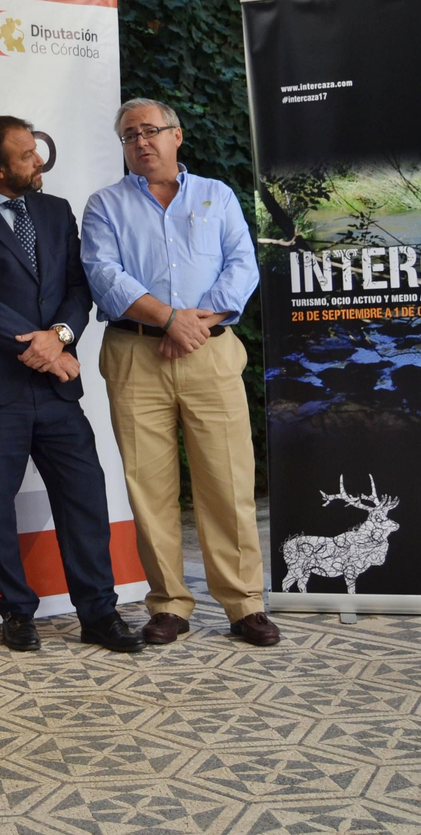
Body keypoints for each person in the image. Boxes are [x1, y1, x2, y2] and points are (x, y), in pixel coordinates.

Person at [0, 116, 143, 654]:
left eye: (36, 150)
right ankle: (17, 611)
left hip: (56, 391)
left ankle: (99, 612)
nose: (38, 161)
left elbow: (78, 287)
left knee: (84, 495)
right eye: (26, 155)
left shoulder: (55, 211)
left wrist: (60, 338)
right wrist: (46, 353)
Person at [81, 98, 277, 646]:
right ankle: (168, 604)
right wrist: (168, 319)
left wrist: (192, 323)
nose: (140, 142)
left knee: (228, 481)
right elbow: (103, 274)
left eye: (149, 131)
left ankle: (245, 603)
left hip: (210, 352)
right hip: (135, 355)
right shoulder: (104, 205)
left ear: (177, 135)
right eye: (129, 136)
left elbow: (242, 265)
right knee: (150, 487)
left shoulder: (217, 195)